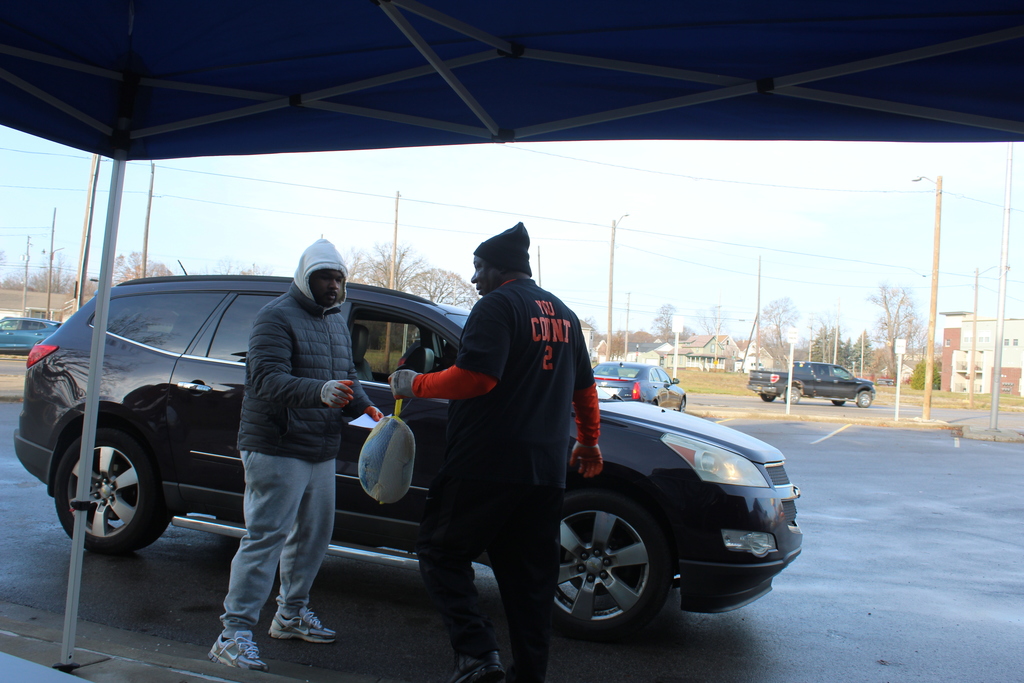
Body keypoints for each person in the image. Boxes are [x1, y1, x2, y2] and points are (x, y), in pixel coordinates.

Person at [389, 222, 602, 683]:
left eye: (478, 267)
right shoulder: (565, 315)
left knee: (440, 552)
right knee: (530, 585)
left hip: (483, 463)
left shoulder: (496, 306)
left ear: (500, 268)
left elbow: (477, 378)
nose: (474, 279)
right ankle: (529, 675)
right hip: (543, 473)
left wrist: (417, 383)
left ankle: (476, 655)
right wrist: (588, 442)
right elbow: (585, 389)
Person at [209, 239, 383, 672]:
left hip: (320, 448)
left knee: (313, 537)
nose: (333, 286)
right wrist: (318, 392)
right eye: (326, 277)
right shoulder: (275, 317)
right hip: (277, 445)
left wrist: (366, 408)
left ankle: (289, 615)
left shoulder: (336, 322)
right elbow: (266, 380)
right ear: (305, 277)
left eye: (339, 278)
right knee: (266, 538)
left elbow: (344, 377)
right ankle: (232, 635)